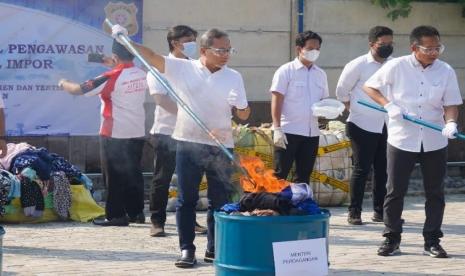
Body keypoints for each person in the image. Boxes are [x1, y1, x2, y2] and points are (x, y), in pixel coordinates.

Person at [111, 25, 250, 268]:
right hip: (188, 142)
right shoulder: (183, 68)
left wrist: (239, 107)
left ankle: (214, 247)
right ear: (204, 50)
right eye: (221, 50)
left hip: (220, 145)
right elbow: (152, 57)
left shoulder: (234, 76)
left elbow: (244, 114)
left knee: (220, 201)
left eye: (229, 50)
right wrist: (125, 40)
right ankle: (187, 249)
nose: (226, 54)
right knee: (187, 200)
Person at [363, 25, 462, 258]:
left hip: (434, 138)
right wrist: (388, 105)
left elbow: (451, 104)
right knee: (395, 190)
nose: (434, 52)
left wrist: (451, 123)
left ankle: (432, 240)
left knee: (435, 192)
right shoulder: (397, 66)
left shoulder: (445, 71)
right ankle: (391, 238)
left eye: (438, 47)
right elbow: (369, 87)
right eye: (429, 49)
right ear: (414, 48)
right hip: (401, 137)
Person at [58, 40, 147, 226]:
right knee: (133, 173)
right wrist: (115, 63)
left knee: (113, 176)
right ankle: (136, 213)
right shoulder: (141, 73)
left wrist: (63, 82)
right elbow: (124, 70)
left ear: (115, 56)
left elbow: (77, 90)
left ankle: (115, 215)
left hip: (114, 133)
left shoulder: (110, 77)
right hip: (137, 130)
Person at [146, 25, 207, 237]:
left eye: (194, 39)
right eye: (189, 40)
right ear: (175, 43)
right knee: (162, 178)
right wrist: (187, 114)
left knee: (190, 180)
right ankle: (157, 221)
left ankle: (190, 221)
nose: (193, 44)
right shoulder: (159, 67)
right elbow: (160, 99)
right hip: (166, 132)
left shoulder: (197, 67)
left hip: (192, 133)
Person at [336, 26, 393, 225]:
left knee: (383, 169)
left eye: (390, 43)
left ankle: (380, 211)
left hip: (387, 124)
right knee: (361, 169)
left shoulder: (394, 65)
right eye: (383, 44)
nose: (387, 47)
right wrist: (355, 108)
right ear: (371, 44)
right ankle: (355, 212)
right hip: (362, 124)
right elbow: (342, 90)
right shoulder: (358, 65)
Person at [270, 30, 328, 184]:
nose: (314, 52)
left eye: (317, 49)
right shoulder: (286, 71)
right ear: (299, 49)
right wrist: (277, 128)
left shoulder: (321, 74)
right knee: (280, 173)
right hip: (288, 131)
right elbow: (277, 99)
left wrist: (330, 111)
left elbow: (323, 101)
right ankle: (272, 206)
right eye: (310, 49)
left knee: (303, 175)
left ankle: (298, 206)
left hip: (311, 132)